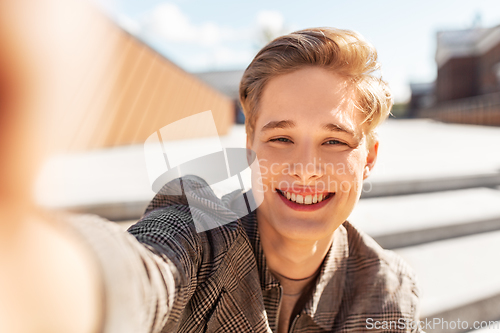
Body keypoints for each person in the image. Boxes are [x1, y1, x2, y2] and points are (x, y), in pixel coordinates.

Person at [0, 1, 422, 330]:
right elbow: (139, 270)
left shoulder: (388, 292)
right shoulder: (198, 229)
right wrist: (30, 262)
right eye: (280, 138)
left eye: (334, 141)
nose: (306, 169)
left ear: (367, 158)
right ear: (249, 145)